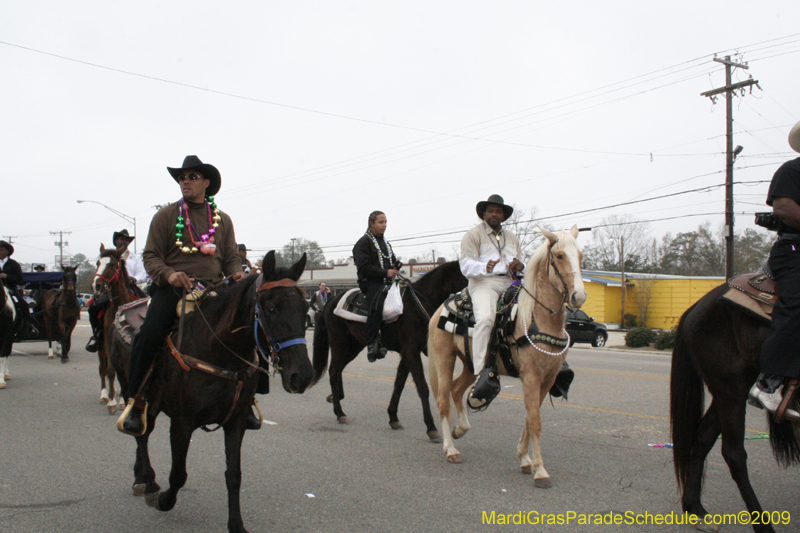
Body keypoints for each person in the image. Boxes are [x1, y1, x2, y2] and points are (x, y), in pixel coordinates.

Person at [119, 155, 247, 436]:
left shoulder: (222, 220)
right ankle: (136, 402)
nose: (185, 181)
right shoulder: (166, 215)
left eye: (191, 177)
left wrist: (237, 272)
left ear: (206, 182)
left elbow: (231, 258)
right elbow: (151, 255)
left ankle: (248, 402)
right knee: (149, 333)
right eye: (181, 177)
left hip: (214, 290)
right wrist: (168, 274)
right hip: (173, 290)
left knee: (247, 330)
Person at [749, 119, 800, 421]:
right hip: (794, 252)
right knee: (797, 303)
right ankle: (768, 381)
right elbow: (784, 209)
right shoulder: (792, 171)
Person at [460, 194, 524, 411]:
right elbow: (465, 266)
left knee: (537, 310)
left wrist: (519, 266)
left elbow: (520, 261)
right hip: (483, 283)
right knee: (486, 319)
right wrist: (485, 267)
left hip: (510, 282)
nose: (495, 214)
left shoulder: (512, 237)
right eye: (491, 211)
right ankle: (479, 373)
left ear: (503, 215)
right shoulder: (473, 235)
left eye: (499, 211)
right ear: (484, 214)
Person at [85, 229, 147, 353]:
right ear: (116, 241)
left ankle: (146, 335)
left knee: (148, 306)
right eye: (120, 239)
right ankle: (97, 334)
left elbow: (142, 274)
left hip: (130, 287)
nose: (123, 241)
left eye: (125, 239)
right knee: (93, 308)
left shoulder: (134, 258)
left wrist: (134, 278)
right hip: (111, 289)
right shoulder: (109, 257)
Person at [352, 211, 400, 362]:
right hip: (370, 283)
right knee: (378, 302)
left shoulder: (386, 243)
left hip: (387, 281)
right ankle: (372, 342)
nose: (384, 225)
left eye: (385, 222)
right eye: (381, 222)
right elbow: (364, 268)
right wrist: (386, 272)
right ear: (371, 223)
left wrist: (395, 265)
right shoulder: (363, 243)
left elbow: (389, 260)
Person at [0, 240, 38, 337]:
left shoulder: (13, 264)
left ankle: (29, 325)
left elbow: (20, 279)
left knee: (22, 303)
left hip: (10, 289)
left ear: (7, 251)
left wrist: (7, 276)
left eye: (1, 250)